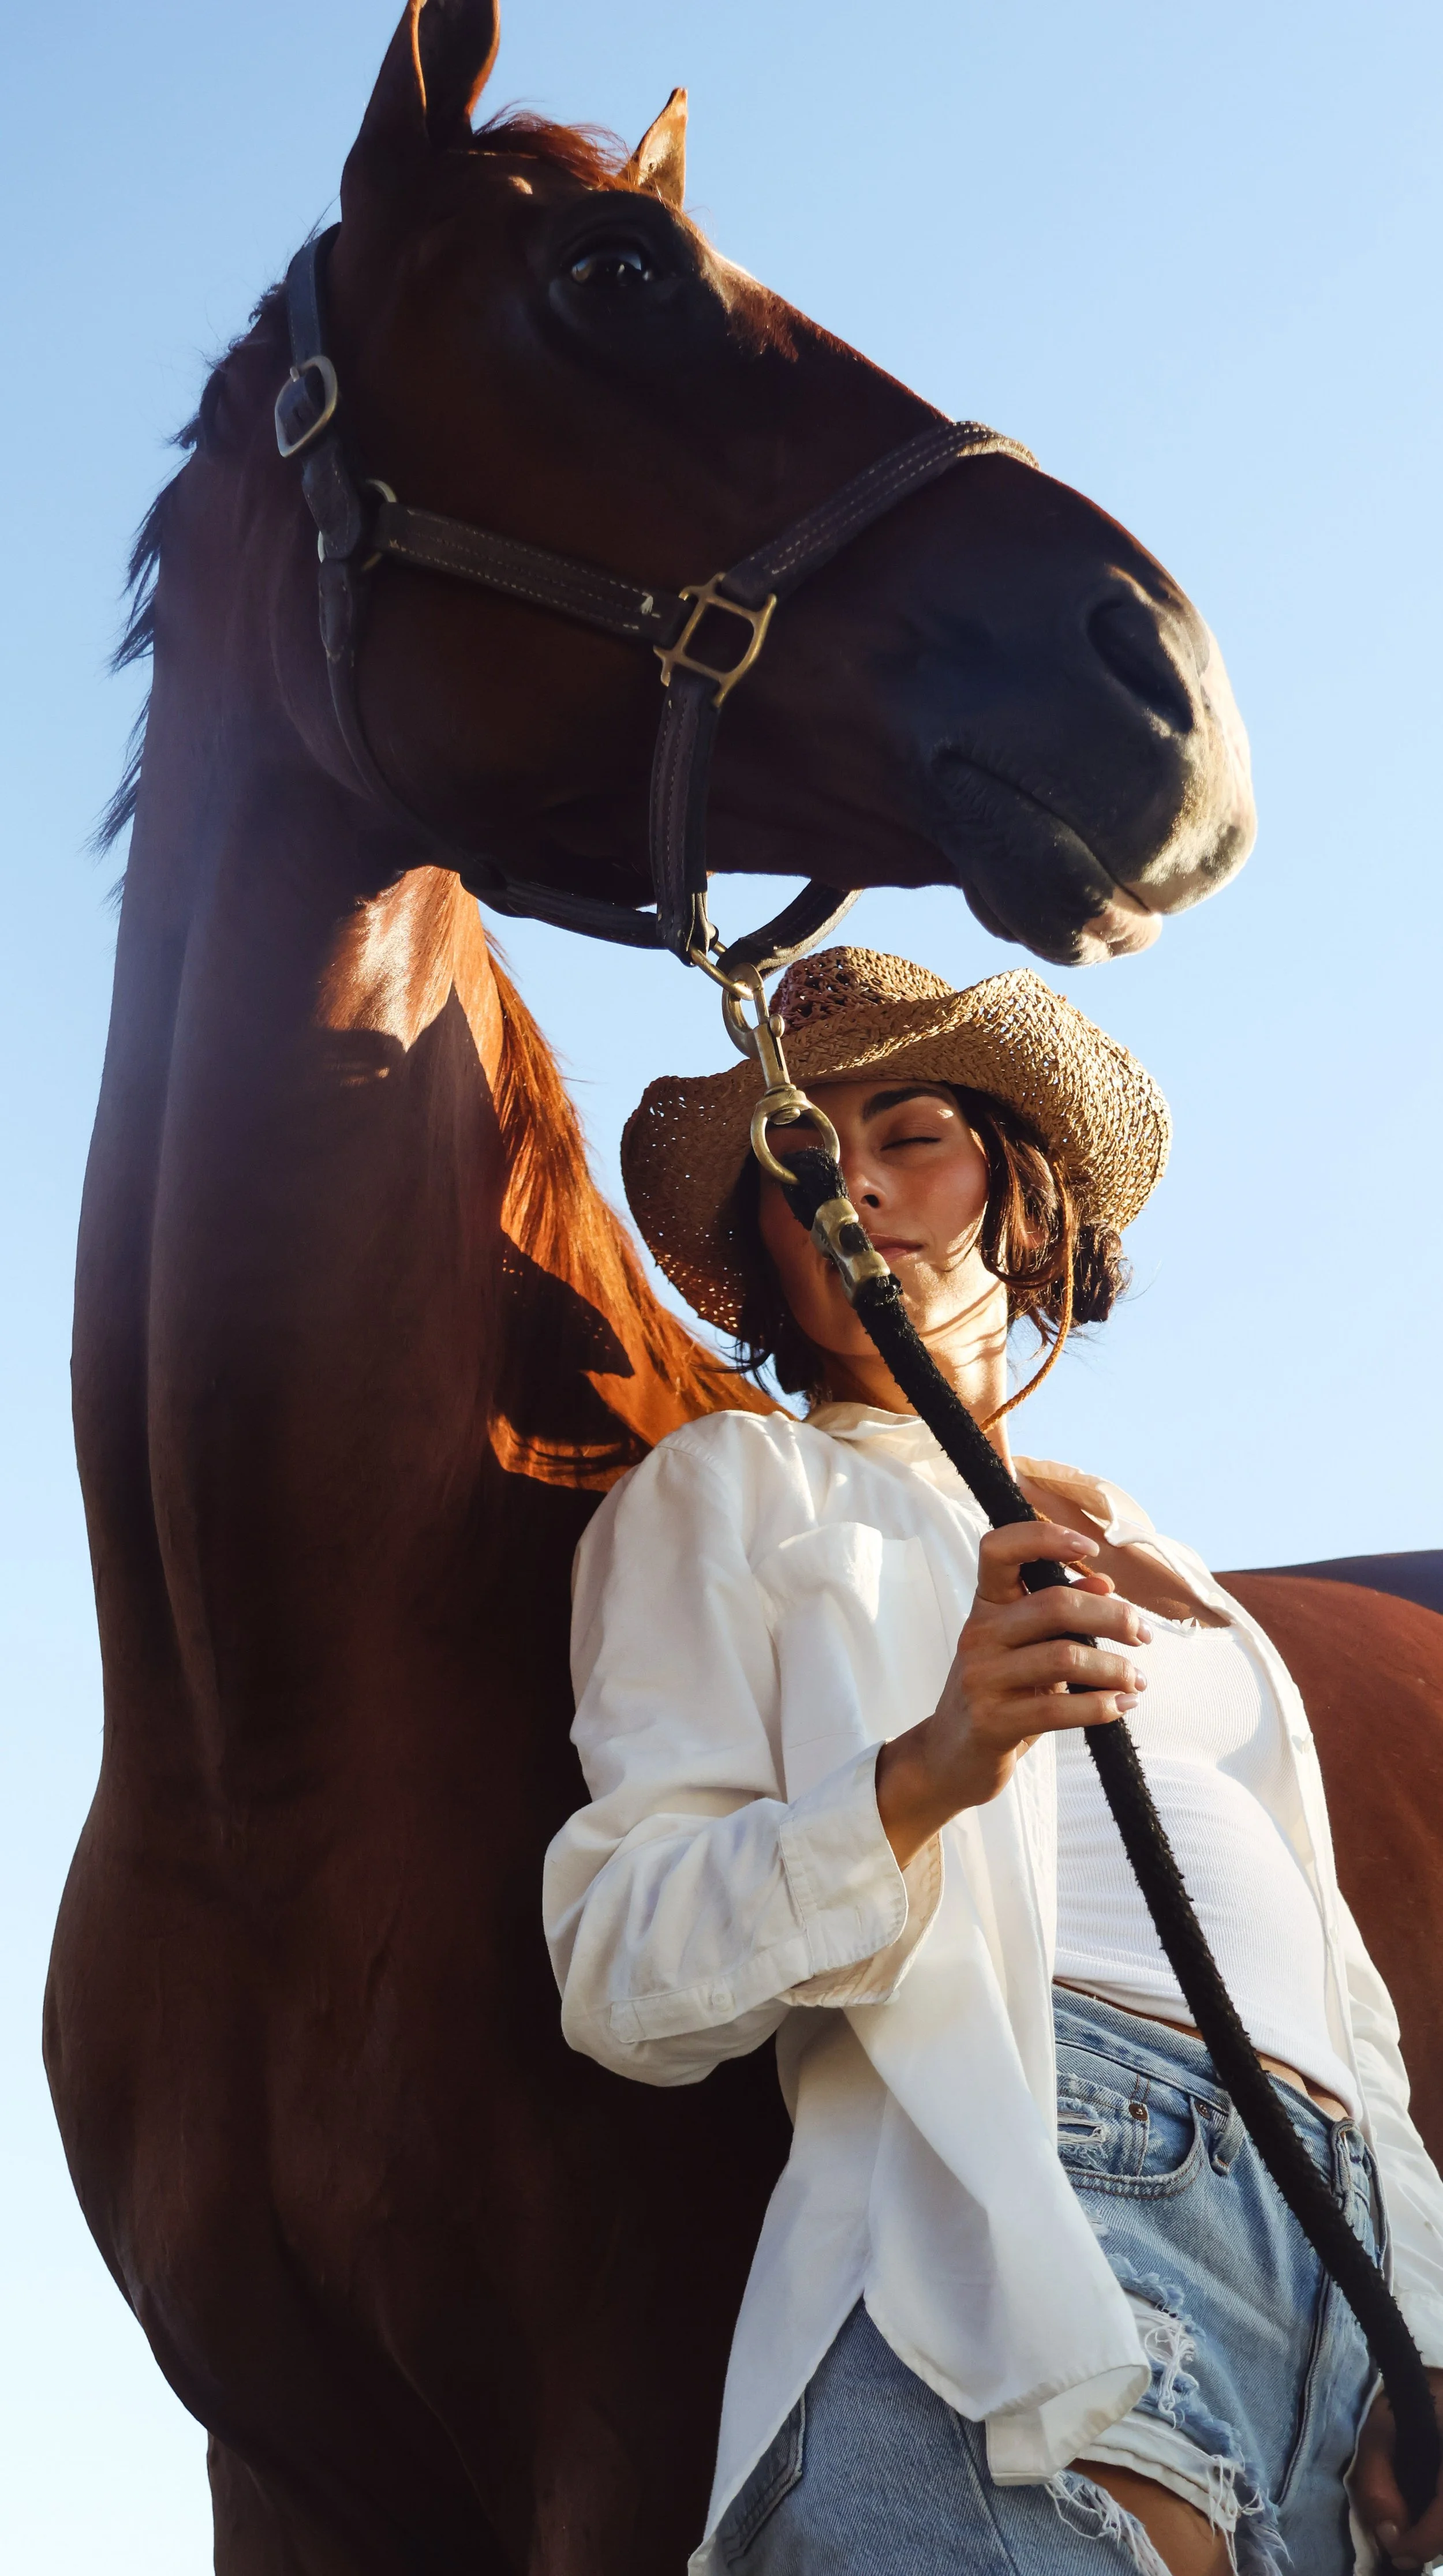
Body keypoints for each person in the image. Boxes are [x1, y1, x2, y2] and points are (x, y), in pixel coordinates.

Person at [542, 946, 1443, 2576]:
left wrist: (1419, 2322)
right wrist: (928, 1768)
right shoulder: (734, 1491)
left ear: (1021, 1199)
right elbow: (623, 1964)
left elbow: (1346, 2017)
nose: (859, 1187)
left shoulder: (1179, 1578)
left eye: (915, 1132)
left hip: (1329, 2265)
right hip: (1034, 2200)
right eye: (800, 1156)